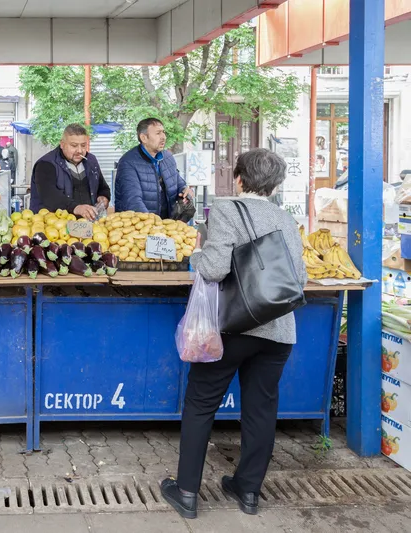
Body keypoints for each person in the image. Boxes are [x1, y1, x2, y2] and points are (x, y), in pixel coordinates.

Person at [160, 148, 307, 520]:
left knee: (201, 403)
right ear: (274, 186)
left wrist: (194, 255)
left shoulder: (226, 209)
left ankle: (188, 492)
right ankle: (249, 491)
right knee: (261, 410)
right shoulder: (286, 220)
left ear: (239, 178)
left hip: (233, 327)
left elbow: (212, 269)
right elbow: (298, 279)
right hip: (278, 331)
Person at [30, 123, 110, 221]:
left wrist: (104, 196)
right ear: (62, 144)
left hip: (88, 226)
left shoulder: (91, 161)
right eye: (74, 145)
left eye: (83, 145)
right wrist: (76, 208)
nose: (80, 150)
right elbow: (49, 197)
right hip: (54, 226)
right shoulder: (45, 164)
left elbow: (102, 187)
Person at [114, 118, 191, 218]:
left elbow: (177, 182)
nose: (163, 137)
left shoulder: (168, 157)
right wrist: (155, 225)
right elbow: (133, 202)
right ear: (144, 138)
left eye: (163, 132)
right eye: (158, 133)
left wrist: (184, 190)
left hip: (167, 224)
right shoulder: (128, 162)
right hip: (140, 227)